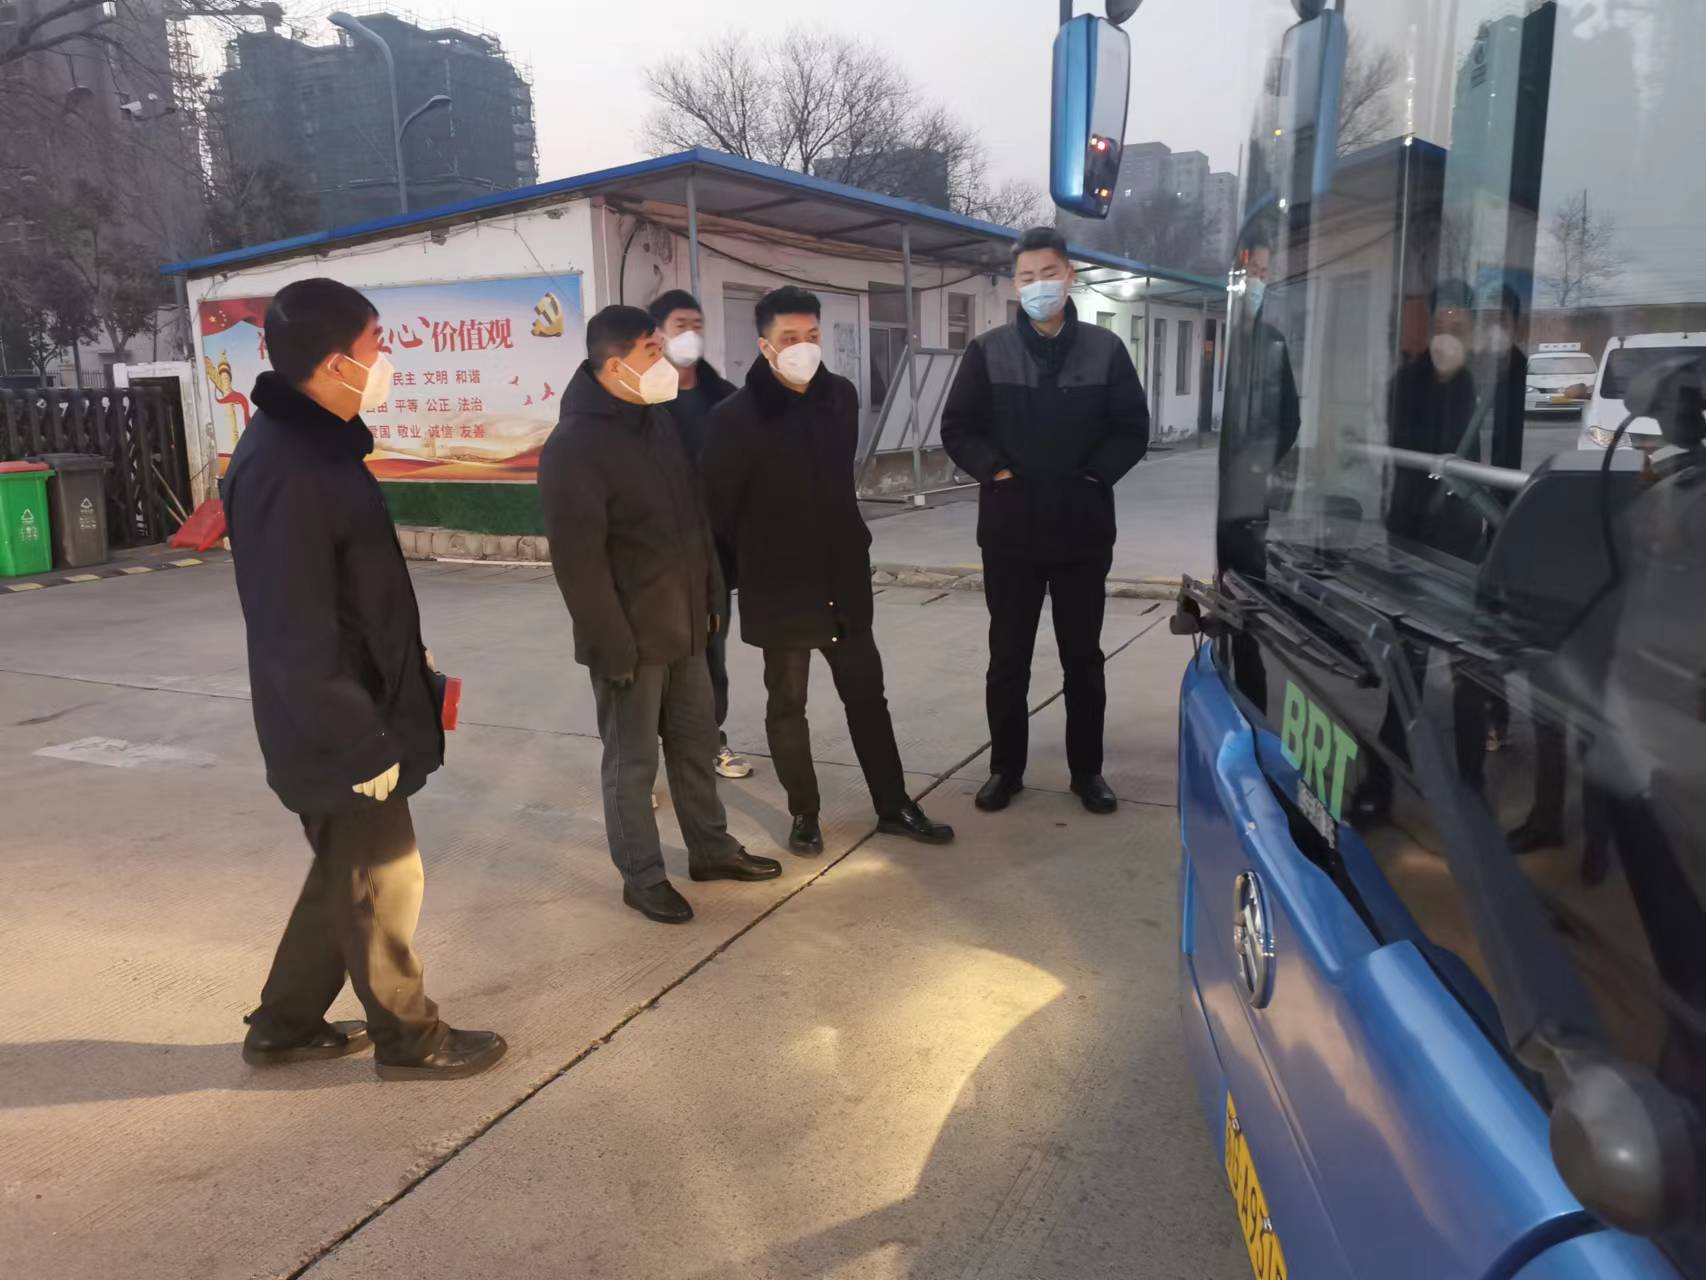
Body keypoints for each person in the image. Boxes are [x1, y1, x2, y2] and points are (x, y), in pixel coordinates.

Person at [222, 277, 505, 1081]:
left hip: (354, 704)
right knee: (383, 881)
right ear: (333, 362)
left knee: (342, 881)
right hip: (335, 724)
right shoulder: (287, 467)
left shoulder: (318, 446)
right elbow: (294, 629)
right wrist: (361, 738)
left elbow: (351, 592)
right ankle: (410, 1039)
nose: (388, 359)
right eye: (378, 343)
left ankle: (282, 1027)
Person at [540, 304, 781, 924]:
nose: (665, 359)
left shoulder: (658, 422)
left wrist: (711, 598)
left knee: (696, 746)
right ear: (614, 365)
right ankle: (642, 876)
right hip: (630, 640)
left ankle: (711, 849)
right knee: (633, 763)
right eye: (652, 350)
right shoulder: (573, 445)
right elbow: (578, 563)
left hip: (685, 625)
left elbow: (694, 521)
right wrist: (611, 644)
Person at [701, 286, 954, 855]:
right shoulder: (733, 418)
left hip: (842, 578)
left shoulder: (840, 396)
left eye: (812, 335)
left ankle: (894, 804)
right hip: (779, 586)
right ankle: (804, 813)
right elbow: (719, 510)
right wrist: (751, 564)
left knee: (867, 695)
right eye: (789, 337)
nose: (804, 347)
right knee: (788, 705)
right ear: (764, 345)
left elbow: (837, 482)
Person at [941, 226, 1149, 815]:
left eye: (1048, 273)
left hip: (1082, 533)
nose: (1039, 286)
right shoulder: (988, 351)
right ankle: (1005, 769)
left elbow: (1131, 428)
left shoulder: (1106, 350)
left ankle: (1088, 771)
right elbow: (958, 427)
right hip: (1011, 534)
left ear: (1069, 276)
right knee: (1008, 658)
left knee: (1082, 658)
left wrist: (1095, 477)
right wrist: (998, 473)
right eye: (1027, 277)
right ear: (1015, 284)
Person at [649, 289, 752, 782]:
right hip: (658, 555)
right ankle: (649, 756)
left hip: (713, 554)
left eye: (697, 324)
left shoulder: (724, 397)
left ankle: (713, 740)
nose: (690, 334)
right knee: (658, 660)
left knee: (712, 651)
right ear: (657, 334)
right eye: (679, 325)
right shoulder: (643, 399)